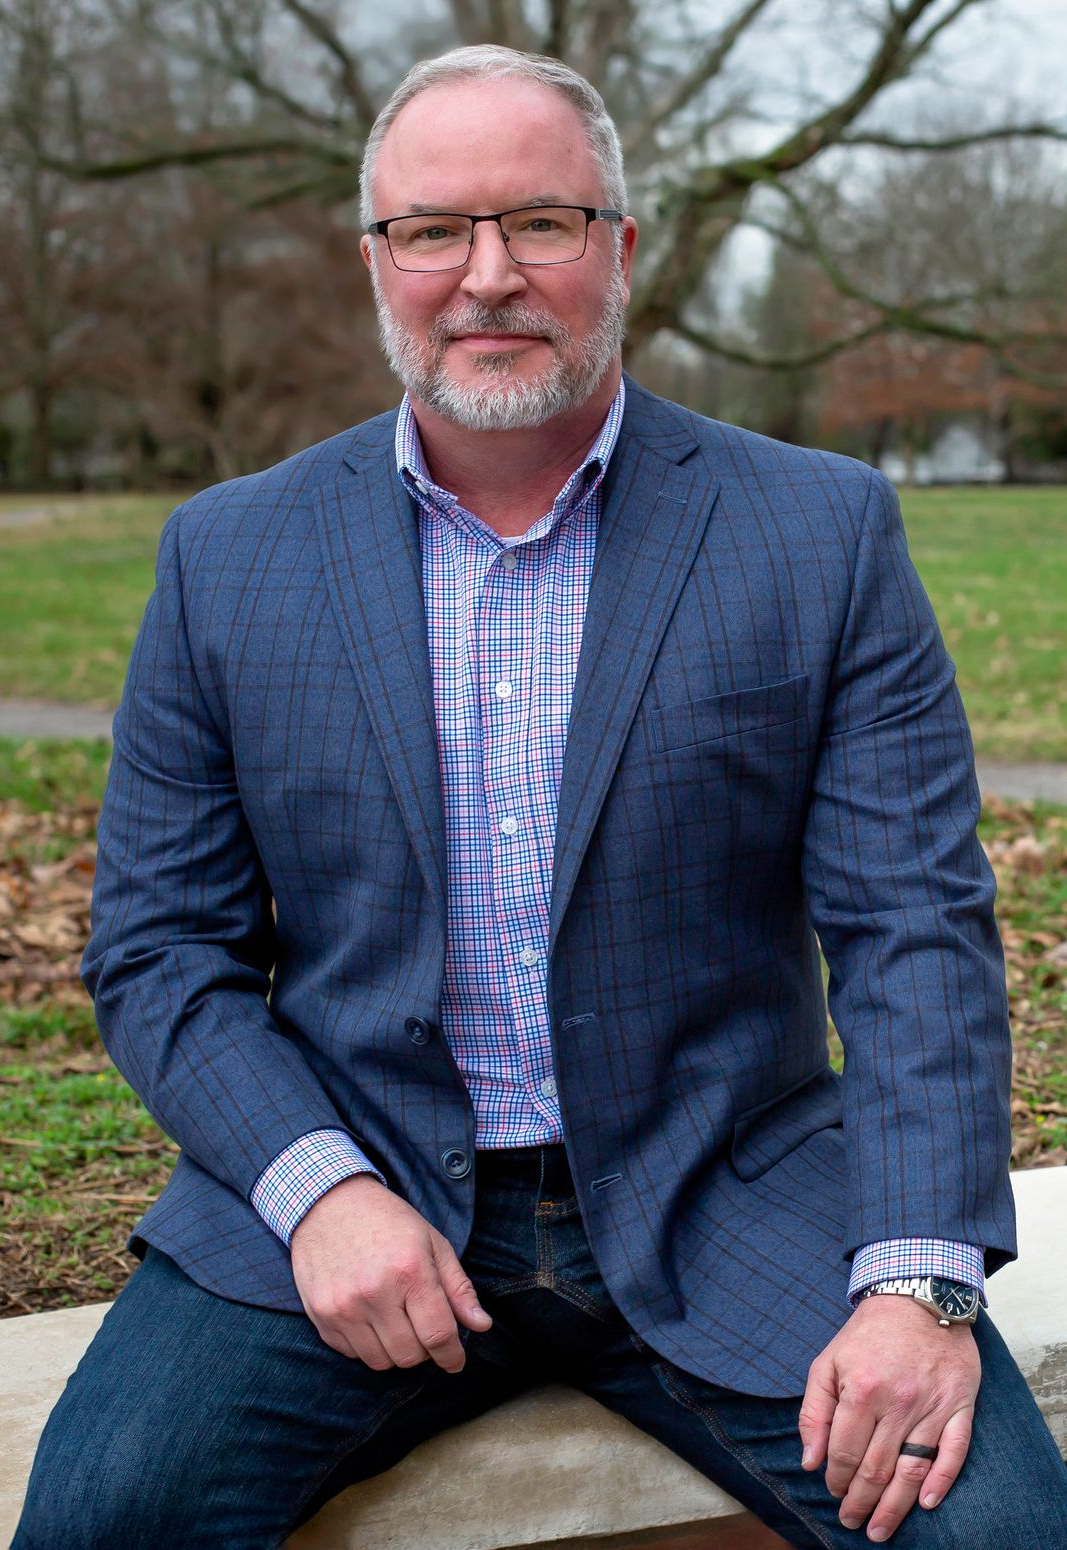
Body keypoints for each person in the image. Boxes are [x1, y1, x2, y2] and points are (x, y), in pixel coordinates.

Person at [13, 43, 1067, 1550]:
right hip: (354, 1193)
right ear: (377, 261)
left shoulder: (815, 529)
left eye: (542, 224)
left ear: (620, 250)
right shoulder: (227, 555)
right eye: (432, 228)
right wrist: (317, 1192)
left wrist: (913, 1285)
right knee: (105, 1514)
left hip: (732, 1194)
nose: (485, 274)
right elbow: (158, 950)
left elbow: (913, 928)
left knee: (1000, 1534)